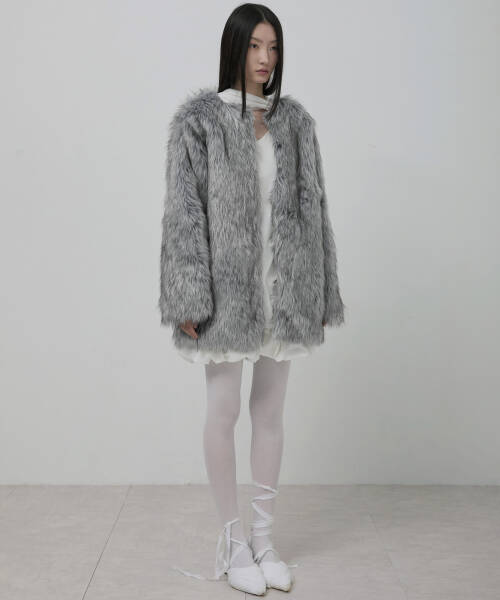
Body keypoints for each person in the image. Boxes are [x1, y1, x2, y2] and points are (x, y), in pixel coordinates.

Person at [159, 3, 345, 595]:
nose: (266, 59)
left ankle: (264, 540)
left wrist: (321, 291)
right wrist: (187, 295)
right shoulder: (199, 124)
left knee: (270, 413)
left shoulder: (296, 124)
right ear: (235, 49)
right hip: (226, 296)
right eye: (256, 46)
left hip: (282, 291)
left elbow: (316, 212)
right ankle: (234, 541)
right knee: (224, 410)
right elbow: (183, 214)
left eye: (274, 47)